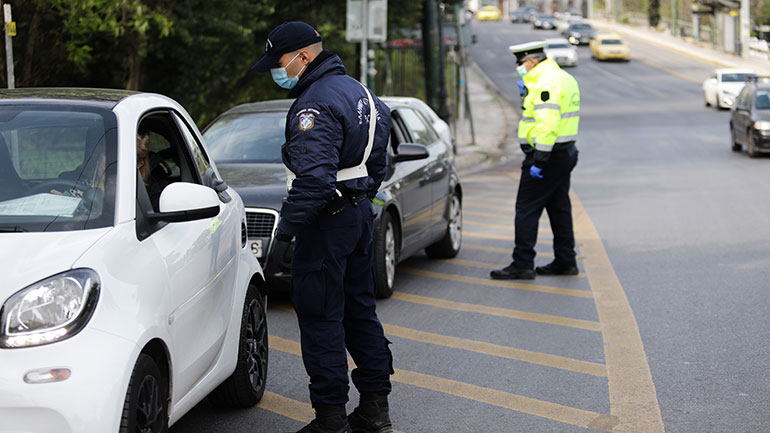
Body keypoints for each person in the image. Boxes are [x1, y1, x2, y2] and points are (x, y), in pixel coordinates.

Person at [252, 21, 394, 433]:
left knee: (321, 319)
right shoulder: (364, 95)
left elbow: (314, 179)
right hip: (358, 218)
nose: (278, 71)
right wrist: (359, 201)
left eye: (280, 62)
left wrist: (287, 232)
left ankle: (330, 419)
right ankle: (374, 409)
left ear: (303, 56)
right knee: (360, 313)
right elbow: (379, 163)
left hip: (325, 224)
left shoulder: (314, 104)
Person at [491, 41, 581, 280]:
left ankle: (522, 263)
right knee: (559, 207)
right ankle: (565, 260)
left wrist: (539, 160)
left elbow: (547, 123)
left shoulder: (546, 83)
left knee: (526, 209)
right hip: (564, 152)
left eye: (521, 63)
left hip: (547, 155)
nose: (519, 68)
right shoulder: (562, 77)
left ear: (532, 61)